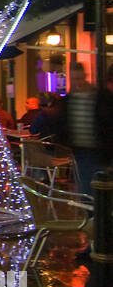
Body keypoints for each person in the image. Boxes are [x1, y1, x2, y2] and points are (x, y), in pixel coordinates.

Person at [63, 63, 101, 196]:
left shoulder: (97, 97)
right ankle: (92, 213)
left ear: (85, 77)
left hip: (98, 148)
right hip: (80, 149)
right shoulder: (69, 99)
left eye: (79, 78)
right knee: (86, 186)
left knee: (92, 185)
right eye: (74, 79)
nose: (77, 83)